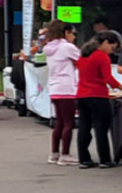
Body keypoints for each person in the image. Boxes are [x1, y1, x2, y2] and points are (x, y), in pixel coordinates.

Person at [76, 31, 122, 169]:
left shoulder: (83, 55)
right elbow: (108, 79)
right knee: (101, 129)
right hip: (98, 96)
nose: (111, 51)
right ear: (106, 43)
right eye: (112, 47)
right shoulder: (102, 57)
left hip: (81, 95)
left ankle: (84, 159)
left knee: (84, 128)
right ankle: (105, 159)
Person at [44, 20, 80, 166]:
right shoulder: (67, 47)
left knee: (59, 121)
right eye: (73, 33)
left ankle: (55, 153)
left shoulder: (49, 47)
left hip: (54, 87)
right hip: (67, 88)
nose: (74, 36)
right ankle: (65, 154)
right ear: (66, 32)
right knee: (68, 122)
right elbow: (82, 60)